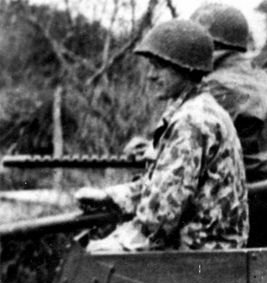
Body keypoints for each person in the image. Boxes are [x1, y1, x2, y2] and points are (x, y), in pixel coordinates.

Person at [74, 20, 247, 252]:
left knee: (89, 261)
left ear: (185, 68)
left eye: (159, 67)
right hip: (208, 250)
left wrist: (113, 245)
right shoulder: (198, 108)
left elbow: (160, 216)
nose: (150, 76)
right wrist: (111, 197)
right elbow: (163, 185)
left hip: (201, 255)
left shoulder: (192, 120)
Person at [190, 3, 267, 181]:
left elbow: (194, 150)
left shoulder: (218, 85)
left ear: (209, 44)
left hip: (252, 187)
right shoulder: (253, 74)